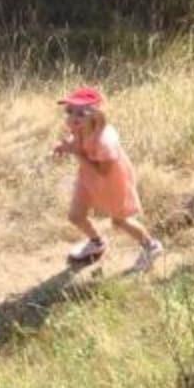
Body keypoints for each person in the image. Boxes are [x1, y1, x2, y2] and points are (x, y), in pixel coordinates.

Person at [53, 85, 164, 272]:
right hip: (87, 176)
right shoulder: (80, 128)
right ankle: (97, 243)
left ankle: (151, 246)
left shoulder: (106, 141)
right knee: (75, 216)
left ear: (95, 115)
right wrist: (65, 146)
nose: (72, 117)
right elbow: (77, 143)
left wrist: (76, 153)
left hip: (112, 182)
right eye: (69, 111)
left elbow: (103, 172)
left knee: (119, 220)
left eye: (80, 113)